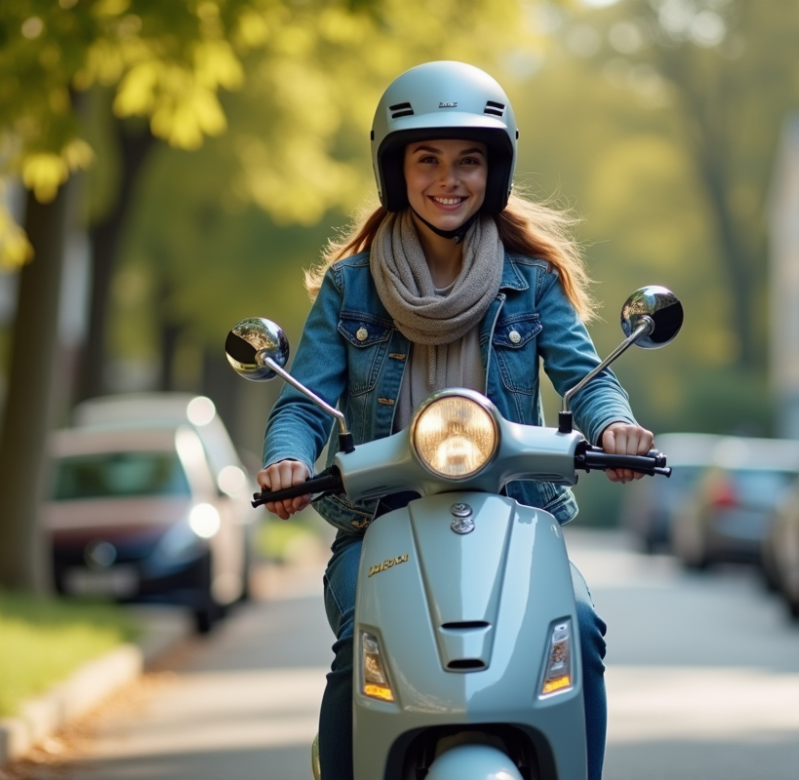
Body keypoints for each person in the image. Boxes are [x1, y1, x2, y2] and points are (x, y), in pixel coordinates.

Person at [258, 60, 654, 780]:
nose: (449, 178)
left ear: (494, 172)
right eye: (428, 159)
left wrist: (614, 427)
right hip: (383, 524)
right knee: (361, 645)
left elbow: (586, 378)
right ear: (396, 171)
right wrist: (287, 460)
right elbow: (302, 402)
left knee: (583, 631)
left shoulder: (530, 282)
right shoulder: (353, 287)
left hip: (511, 522)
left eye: (469, 160)